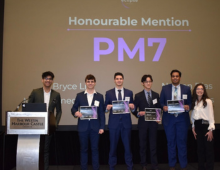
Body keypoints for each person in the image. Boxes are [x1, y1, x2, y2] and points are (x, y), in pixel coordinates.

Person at [28, 71, 62, 170]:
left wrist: (55, 124)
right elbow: (29, 107)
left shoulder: (56, 94)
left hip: (48, 127)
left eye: (50, 79)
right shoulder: (35, 92)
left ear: (52, 81)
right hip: (35, 126)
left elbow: (59, 111)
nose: (48, 80)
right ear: (42, 80)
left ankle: (45, 168)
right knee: (35, 149)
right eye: (46, 78)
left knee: (45, 150)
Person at [71, 74, 105, 170]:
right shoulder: (79, 95)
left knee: (95, 150)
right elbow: (73, 108)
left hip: (95, 127)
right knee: (83, 150)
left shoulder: (100, 96)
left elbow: (101, 113)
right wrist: (75, 112)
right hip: (83, 127)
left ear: (95, 83)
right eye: (88, 81)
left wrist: (102, 127)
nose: (90, 83)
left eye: (92, 81)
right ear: (85, 83)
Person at [160, 69, 191, 170]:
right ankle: (172, 165)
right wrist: (163, 107)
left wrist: (187, 107)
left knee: (182, 142)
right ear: (171, 77)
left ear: (180, 78)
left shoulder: (186, 89)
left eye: (177, 76)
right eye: (173, 76)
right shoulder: (165, 88)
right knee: (171, 143)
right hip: (169, 119)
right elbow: (161, 102)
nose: (175, 78)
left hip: (182, 119)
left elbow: (190, 103)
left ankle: (183, 165)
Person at [105, 72, 135, 170]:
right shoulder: (109, 93)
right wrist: (107, 108)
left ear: (123, 80)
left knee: (128, 148)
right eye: (117, 78)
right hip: (114, 124)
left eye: (120, 78)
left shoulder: (129, 92)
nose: (119, 80)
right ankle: (112, 166)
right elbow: (105, 108)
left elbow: (133, 108)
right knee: (113, 148)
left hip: (126, 124)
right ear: (114, 80)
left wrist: (133, 107)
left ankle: (130, 166)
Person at [132, 75, 161, 170]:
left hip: (153, 124)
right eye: (146, 81)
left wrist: (158, 116)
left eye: (150, 81)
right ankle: (143, 164)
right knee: (142, 145)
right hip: (143, 124)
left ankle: (154, 165)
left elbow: (159, 108)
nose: (148, 83)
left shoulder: (156, 95)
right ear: (142, 83)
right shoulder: (138, 95)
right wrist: (138, 113)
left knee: (153, 145)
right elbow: (134, 110)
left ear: (152, 82)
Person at [191, 83, 215, 170]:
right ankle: (200, 167)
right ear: (195, 91)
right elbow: (193, 116)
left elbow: (211, 116)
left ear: (204, 91)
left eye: (201, 89)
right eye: (198, 89)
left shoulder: (208, 101)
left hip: (206, 127)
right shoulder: (194, 102)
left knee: (208, 150)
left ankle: (209, 168)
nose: (199, 90)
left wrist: (211, 129)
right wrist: (193, 127)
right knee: (199, 150)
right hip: (197, 127)